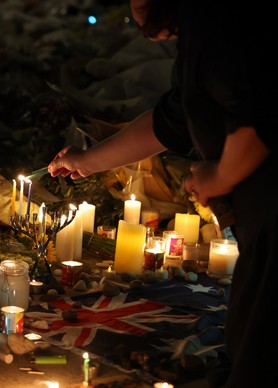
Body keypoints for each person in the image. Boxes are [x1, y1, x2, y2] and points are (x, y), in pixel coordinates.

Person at [47, 1, 277, 387]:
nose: (134, 8)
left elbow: (257, 121)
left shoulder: (219, 27)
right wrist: (88, 160)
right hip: (260, 234)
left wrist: (217, 177)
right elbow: (169, 121)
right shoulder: (201, 31)